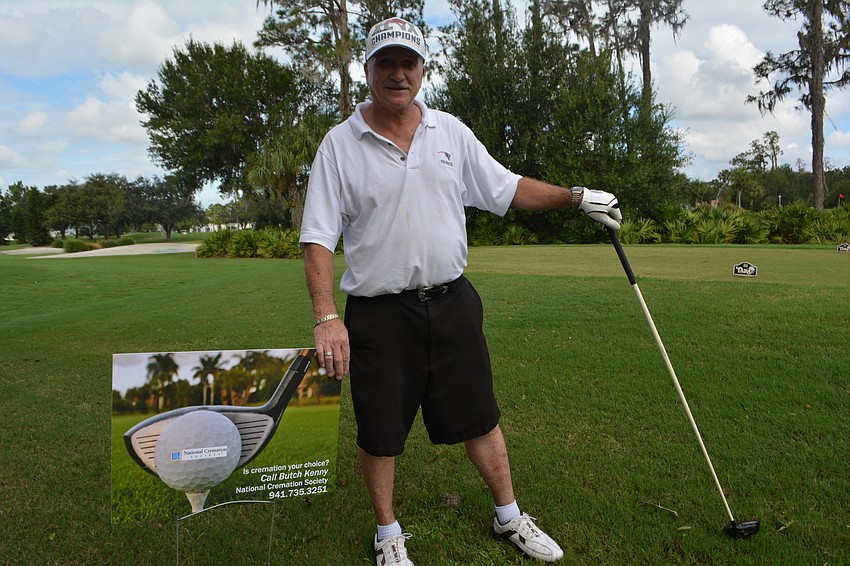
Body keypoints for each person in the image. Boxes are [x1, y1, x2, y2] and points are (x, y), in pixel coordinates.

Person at [299, 17, 622, 566]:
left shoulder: (450, 131)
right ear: (368, 71)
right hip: (378, 314)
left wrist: (575, 197)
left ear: (423, 70)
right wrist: (328, 316)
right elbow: (318, 237)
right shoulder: (339, 145)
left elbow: (507, 187)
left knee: (480, 415)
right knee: (379, 427)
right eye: (386, 63)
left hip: (452, 303)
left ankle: (509, 516)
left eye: (408, 63)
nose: (397, 74)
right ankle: (388, 534)